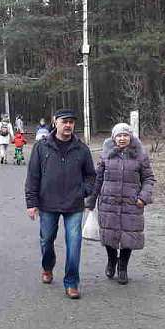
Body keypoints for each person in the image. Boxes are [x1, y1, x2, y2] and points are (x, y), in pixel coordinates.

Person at [25, 109, 96, 299]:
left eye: (71, 122)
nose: (68, 125)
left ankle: (71, 282)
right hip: (47, 203)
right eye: (64, 121)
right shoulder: (41, 147)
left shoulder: (82, 149)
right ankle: (47, 266)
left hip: (74, 204)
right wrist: (31, 203)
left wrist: (84, 191)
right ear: (55, 122)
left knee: (74, 243)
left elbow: (91, 176)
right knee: (46, 240)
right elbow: (32, 177)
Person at [87, 123, 156, 285]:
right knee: (109, 235)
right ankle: (112, 260)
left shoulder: (140, 155)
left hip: (131, 204)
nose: (122, 138)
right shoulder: (106, 155)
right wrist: (91, 200)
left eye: (125, 135)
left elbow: (148, 178)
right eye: (119, 135)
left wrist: (143, 197)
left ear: (130, 137)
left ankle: (123, 267)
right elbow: (98, 178)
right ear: (114, 138)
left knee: (129, 236)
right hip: (108, 203)